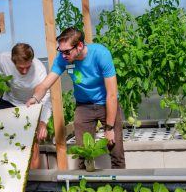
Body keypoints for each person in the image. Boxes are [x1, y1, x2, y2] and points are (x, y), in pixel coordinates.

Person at [26, 27, 125, 169]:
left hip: (106, 103)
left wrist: (109, 128)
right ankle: (85, 189)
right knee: (82, 153)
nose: (63, 55)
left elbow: (112, 94)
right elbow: (45, 84)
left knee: (116, 150)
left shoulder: (100, 54)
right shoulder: (63, 59)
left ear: (79, 45)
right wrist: (35, 98)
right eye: (61, 51)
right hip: (84, 105)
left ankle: (121, 188)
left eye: (67, 51)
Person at [0, 43, 52, 169]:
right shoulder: (3, 59)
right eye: (21, 68)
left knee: (33, 143)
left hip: (31, 104)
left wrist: (43, 122)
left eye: (28, 66)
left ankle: (34, 184)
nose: (25, 71)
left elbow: (46, 97)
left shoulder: (39, 69)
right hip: (10, 101)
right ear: (13, 60)